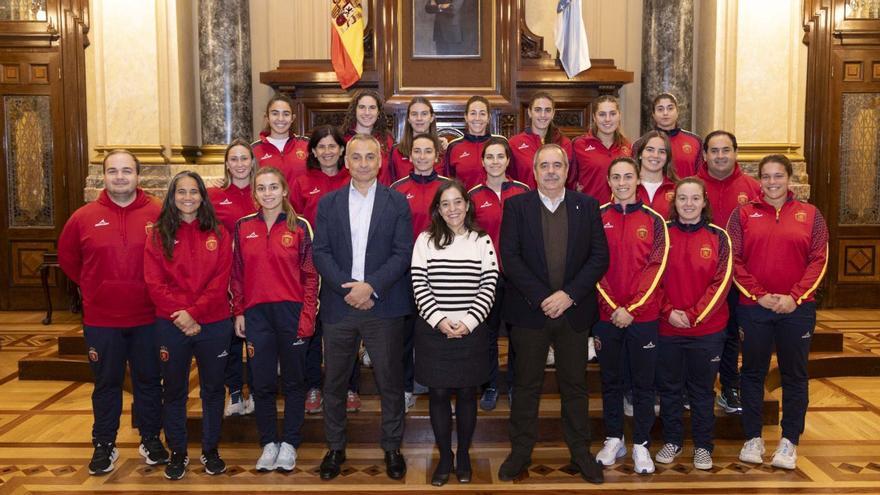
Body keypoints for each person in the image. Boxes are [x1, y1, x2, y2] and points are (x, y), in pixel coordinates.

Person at [497, 144, 609, 484]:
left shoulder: (586, 206)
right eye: (543, 165)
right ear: (533, 171)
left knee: (574, 386)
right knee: (526, 385)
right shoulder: (517, 206)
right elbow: (510, 257)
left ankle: (580, 453)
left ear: (566, 169)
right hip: (530, 313)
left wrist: (569, 295)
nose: (550, 171)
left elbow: (598, 257)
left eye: (556, 165)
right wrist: (544, 297)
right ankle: (520, 453)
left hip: (573, 313)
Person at [57, 149, 168, 475]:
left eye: (127, 171)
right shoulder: (83, 217)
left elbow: (170, 259)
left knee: (149, 382)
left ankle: (151, 439)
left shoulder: (159, 213)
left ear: (138, 175)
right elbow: (70, 261)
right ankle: (104, 443)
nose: (120, 177)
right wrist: (97, 288)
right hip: (102, 321)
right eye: (113, 171)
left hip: (148, 318)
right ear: (104, 176)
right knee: (106, 384)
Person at [312, 134, 414, 481]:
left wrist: (371, 287)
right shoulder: (328, 203)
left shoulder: (397, 202)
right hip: (340, 307)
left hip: (382, 306)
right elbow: (321, 253)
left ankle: (391, 447)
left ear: (380, 161)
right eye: (357, 157)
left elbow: (403, 253)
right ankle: (335, 447)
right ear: (346, 161)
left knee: (390, 383)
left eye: (370, 157)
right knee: (335, 383)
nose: (364, 163)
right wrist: (349, 290)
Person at [728, 154, 828, 470]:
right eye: (766, 176)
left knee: (794, 375)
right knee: (753, 373)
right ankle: (753, 438)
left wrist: (794, 297)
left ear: (789, 179)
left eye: (778, 176)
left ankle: (789, 441)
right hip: (754, 308)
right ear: (760, 180)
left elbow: (818, 259)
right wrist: (759, 295)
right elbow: (734, 259)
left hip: (796, 310)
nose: (772, 182)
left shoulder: (811, 215)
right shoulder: (742, 214)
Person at [144, 171, 233, 480]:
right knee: (175, 392)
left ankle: (210, 450)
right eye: (181, 192)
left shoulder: (220, 233)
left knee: (212, 390)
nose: (187, 197)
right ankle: (178, 452)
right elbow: (154, 284)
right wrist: (182, 316)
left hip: (214, 322)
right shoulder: (158, 234)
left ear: (202, 197)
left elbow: (220, 282)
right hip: (171, 323)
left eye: (193, 192)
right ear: (172, 196)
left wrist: (194, 313)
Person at [230, 167, 319, 472]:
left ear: (284, 191)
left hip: (291, 312)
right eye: (261, 188)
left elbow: (310, 276)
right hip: (257, 315)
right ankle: (269, 442)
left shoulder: (300, 227)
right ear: (254, 193)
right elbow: (237, 275)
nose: (267, 193)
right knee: (262, 382)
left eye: (273, 187)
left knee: (294, 382)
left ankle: (290, 443)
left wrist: (308, 315)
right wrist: (239, 311)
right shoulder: (243, 227)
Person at [412, 180, 499, 486]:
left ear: (467, 205)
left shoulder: (481, 239)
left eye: (458, 202)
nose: (452, 209)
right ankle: (444, 457)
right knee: (437, 394)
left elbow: (489, 283)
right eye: (445, 204)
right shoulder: (424, 240)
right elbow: (419, 285)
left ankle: (462, 455)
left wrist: (469, 321)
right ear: (438, 209)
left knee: (466, 394)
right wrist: (439, 320)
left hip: (471, 331)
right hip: (434, 332)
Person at [593, 157, 668, 475]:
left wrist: (632, 308)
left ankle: (641, 445)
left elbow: (656, 267)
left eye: (628, 176)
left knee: (643, 384)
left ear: (637, 179)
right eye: (616, 177)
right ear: (608, 181)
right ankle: (614, 438)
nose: (622, 182)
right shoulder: (596, 218)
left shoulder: (655, 220)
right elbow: (592, 265)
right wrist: (614, 307)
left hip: (644, 316)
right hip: (606, 315)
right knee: (610, 381)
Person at [654, 177, 732, 471]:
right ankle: (672, 440)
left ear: (704, 202)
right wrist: (668, 311)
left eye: (694, 198)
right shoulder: (662, 234)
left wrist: (695, 315)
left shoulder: (719, 237)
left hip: (707, 330)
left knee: (701, 390)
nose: (688, 204)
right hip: (667, 326)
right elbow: (651, 278)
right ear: (674, 202)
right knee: (670, 388)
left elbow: (722, 282)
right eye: (682, 198)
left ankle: (702, 445)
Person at [289, 125, 360, 415]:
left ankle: (350, 387)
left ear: (342, 150)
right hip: (309, 264)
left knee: (349, 327)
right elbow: (291, 222)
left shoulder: (352, 179)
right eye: (322, 147)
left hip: (346, 263)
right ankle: (313, 386)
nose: (328, 152)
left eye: (333, 146)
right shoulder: (302, 181)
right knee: (312, 326)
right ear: (314, 151)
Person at [696, 130, 762, 415]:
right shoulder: (692, 185)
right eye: (714, 150)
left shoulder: (752, 187)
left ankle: (730, 386)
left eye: (726, 150)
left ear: (736, 153)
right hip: (699, 276)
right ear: (705, 155)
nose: (720, 156)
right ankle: (695, 386)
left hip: (738, 277)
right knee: (698, 332)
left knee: (732, 333)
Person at [467, 137, 529, 410]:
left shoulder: (524, 191)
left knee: (518, 334)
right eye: (489, 157)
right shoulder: (473, 195)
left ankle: (515, 384)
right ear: (482, 162)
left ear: (507, 160)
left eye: (500, 157)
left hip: (518, 277)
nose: (495, 162)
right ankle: (490, 384)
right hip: (486, 276)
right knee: (487, 334)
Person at [392, 133, 450, 412]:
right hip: (405, 272)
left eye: (429, 151)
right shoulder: (397, 189)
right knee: (405, 335)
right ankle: (405, 387)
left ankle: (444, 387)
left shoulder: (449, 188)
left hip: (443, 271)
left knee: (439, 332)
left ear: (437, 155)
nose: (423, 156)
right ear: (410, 156)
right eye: (418, 151)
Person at [208, 140, 257, 418]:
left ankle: (259, 391)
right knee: (230, 337)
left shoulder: (263, 191)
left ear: (252, 161)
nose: (239, 164)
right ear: (227, 164)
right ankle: (235, 391)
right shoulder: (214, 195)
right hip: (225, 278)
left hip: (259, 277)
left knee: (257, 338)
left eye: (244, 158)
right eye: (234, 159)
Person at [569, 95, 631, 202]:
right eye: (602, 114)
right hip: (588, 213)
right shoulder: (579, 145)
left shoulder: (628, 146)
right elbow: (569, 181)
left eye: (612, 114)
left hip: (619, 212)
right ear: (594, 117)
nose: (607, 119)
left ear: (619, 115)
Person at [508, 92, 573, 189]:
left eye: (547, 110)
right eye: (538, 110)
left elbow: (570, 180)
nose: (543, 115)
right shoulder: (514, 143)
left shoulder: (565, 143)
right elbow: (510, 179)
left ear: (553, 113)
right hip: (525, 201)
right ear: (530, 113)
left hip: (557, 201)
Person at [631, 93, 702, 178]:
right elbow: (635, 176)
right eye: (660, 109)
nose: (665, 113)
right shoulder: (640, 144)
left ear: (677, 111)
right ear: (653, 114)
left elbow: (701, 176)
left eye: (670, 108)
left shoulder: (695, 141)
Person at [444, 95, 505, 190]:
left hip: (496, 202)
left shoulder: (501, 142)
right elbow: (448, 182)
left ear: (488, 118)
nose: (477, 118)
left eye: (482, 114)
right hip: (465, 203)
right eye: (473, 113)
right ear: (466, 117)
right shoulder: (454, 146)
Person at [251, 93, 310, 186]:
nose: (280, 118)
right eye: (275, 113)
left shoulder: (306, 144)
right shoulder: (253, 149)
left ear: (292, 118)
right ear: (267, 117)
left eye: (286, 114)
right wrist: (224, 181)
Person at [341, 89, 395, 185]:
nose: (367, 112)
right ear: (355, 110)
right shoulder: (342, 139)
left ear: (378, 112)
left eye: (372, 107)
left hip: (381, 196)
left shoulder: (388, 140)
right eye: (362, 107)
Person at [390, 96, 444, 182]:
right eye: (414, 114)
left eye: (424, 114)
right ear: (408, 119)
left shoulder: (443, 150)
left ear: (432, 118)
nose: (419, 118)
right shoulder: (397, 151)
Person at [634, 130, 677, 219]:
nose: (655, 155)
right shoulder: (627, 186)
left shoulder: (677, 189)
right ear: (640, 154)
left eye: (662, 151)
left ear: (667, 158)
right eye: (650, 150)